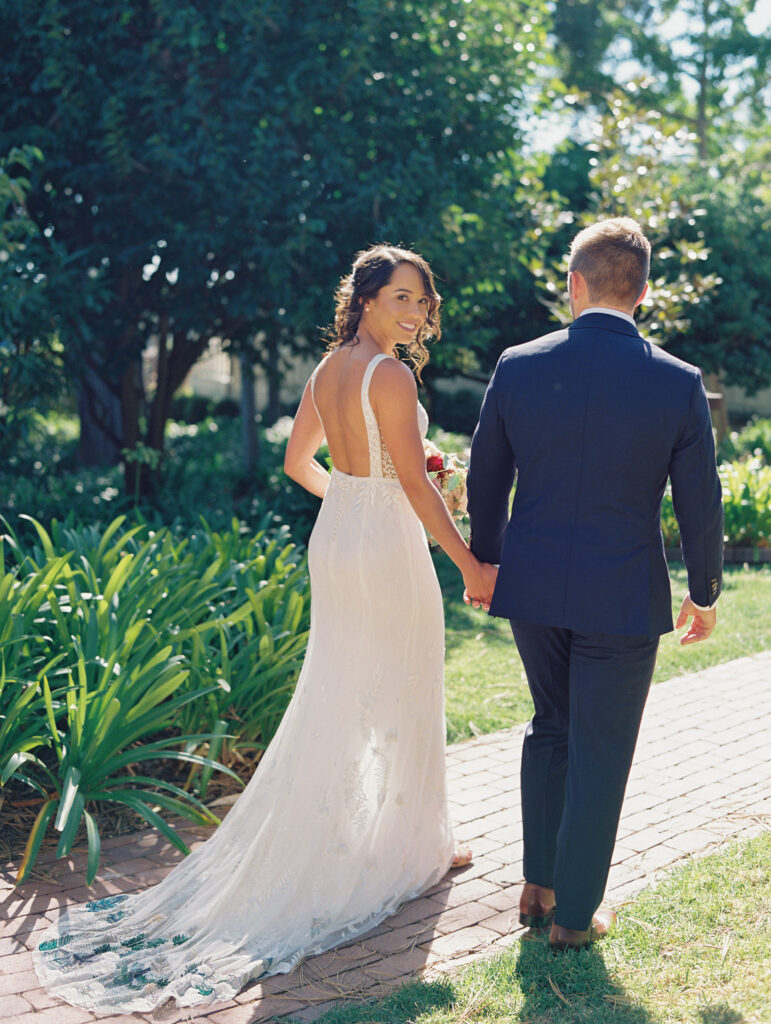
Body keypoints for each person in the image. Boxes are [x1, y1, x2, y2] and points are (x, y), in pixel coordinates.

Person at [33, 244, 497, 1014]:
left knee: (347, 684)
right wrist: (469, 564)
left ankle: (409, 834)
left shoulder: (327, 371)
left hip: (338, 538)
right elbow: (413, 482)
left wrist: (355, 497)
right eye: (402, 298)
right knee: (400, 681)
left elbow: (298, 464)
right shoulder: (390, 373)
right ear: (368, 298)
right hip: (383, 546)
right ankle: (414, 847)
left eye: (422, 300)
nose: (415, 312)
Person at [465, 217, 723, 950]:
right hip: (621, 594)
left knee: (550, 725)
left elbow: (487, 477)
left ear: (572, 284)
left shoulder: (515, 364)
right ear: (641, 292)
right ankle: (573, 918)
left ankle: (537, 887)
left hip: (533, 586)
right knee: (600, 749)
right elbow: (698, 499)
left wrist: (485, 563)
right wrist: (702, 590)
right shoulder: (676, 381)